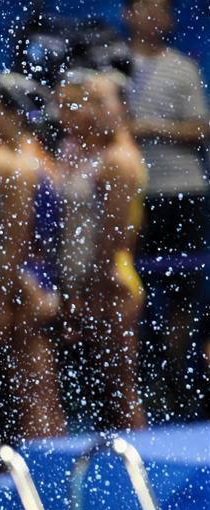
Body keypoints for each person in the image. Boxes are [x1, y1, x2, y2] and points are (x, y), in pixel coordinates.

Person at [0, 71, 66, 442]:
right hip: (39, 279)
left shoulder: (16, 164)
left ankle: (44, 476)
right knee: (37, 385)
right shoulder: (40, 157)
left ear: (2, 110)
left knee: (34, 389)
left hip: (26, 283)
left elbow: (14, 244)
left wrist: (4, 299)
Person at [123, 0, 209, 416]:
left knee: (182, 293)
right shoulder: (112, 63)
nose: (157, 17)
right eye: (147, 8)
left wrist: (153, 128)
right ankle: (143, 379)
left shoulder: (182, 68)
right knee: (129, 288)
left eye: (163, 9)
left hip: (180, 192)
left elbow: (201, 129)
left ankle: (177, 377)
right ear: (128, 13)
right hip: (129, 194)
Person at [56, 69, 149, 430]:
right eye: (87, 102)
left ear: (122, 105)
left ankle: (139, 472)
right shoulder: (92, 154)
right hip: (93, 278)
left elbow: (113, 237)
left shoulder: (120, 160)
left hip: (112, 279)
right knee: (105, 386)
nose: (90, 110)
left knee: (120, 387)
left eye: (99, 101)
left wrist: (90, 287)